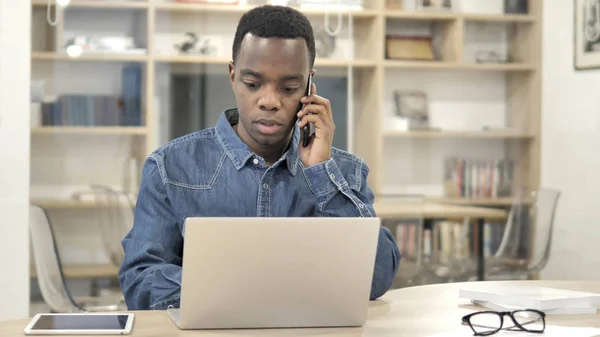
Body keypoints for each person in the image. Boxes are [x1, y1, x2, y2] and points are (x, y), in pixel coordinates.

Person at [118, 4, 401, 310]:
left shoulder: (343, 171)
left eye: (289, 88)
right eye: (253, 84)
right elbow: (140, 278)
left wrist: (321, 172)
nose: (269, 101)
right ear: (232, 75)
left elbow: (376, 277)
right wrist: (232, 290)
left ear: (309, 84)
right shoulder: (170, 168)